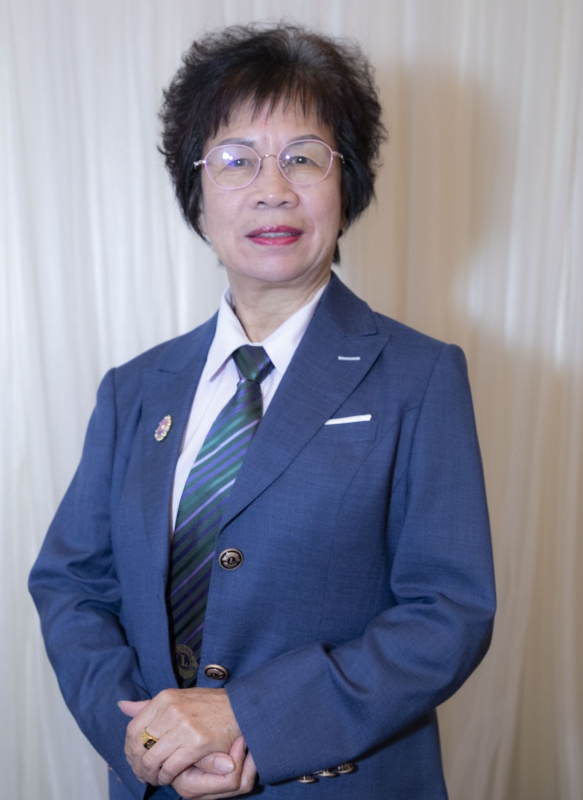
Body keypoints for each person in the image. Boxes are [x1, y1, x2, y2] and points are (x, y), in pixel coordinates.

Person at [29, 23, 496, 800]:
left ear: (347, 187)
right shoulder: (134, 389)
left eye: (303, 158)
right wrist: (142, 739)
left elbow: (447, 612)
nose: (271, 188)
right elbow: (72, 586)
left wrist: (247, 717)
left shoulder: (419, 377)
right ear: (197, 197)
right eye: (236, 159)